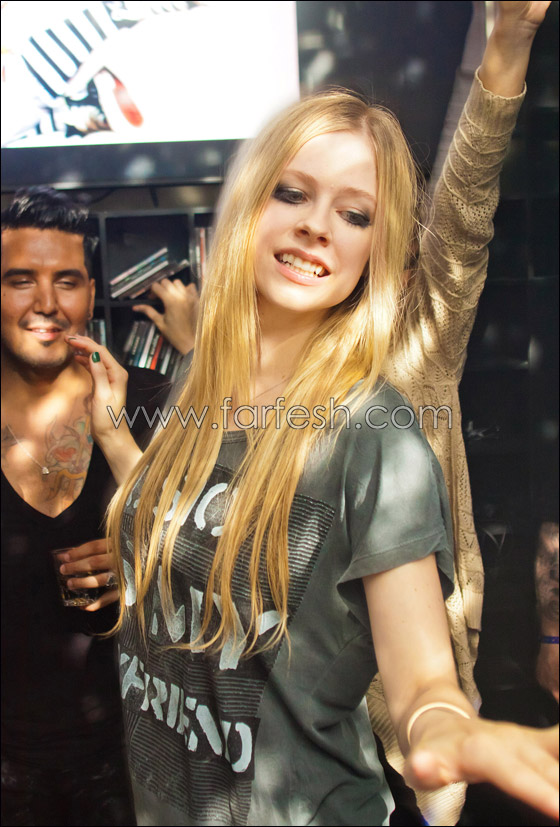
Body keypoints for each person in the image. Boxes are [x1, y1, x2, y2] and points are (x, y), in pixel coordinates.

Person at [67, 2, 559, 825]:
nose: (315, 227)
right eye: (291, 192)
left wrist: (449, 726)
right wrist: (119, 439)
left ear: (381, 247)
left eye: (355, 213)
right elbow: (201, 524)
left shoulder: (393, 396)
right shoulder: (204, 380)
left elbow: (421, 681)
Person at [0, 186, 171, 826]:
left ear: (92, 295)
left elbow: (224, 578)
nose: (46, 303)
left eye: (66, 281)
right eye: (20, 280)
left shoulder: (156, 408)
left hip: (134, 764)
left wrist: (140, 568)